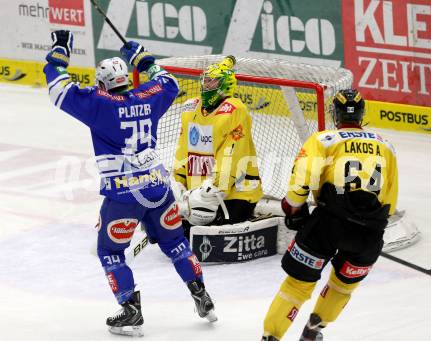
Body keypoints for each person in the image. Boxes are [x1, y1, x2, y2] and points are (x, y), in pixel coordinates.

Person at [44, 30, 216, 337]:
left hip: (123, 194)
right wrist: (140, 58)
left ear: (103, 84)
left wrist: (60, 48)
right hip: (157, 188)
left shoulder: (99, 103)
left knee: (109, 251)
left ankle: (130, 310)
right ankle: (201, 295)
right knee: (176, 243)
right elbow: (169, 82)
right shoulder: (148, 96)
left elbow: (58, 87)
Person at [261, 89, 398, 341]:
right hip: (368, 233)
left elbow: (302, 179)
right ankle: (315, 327)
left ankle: (271, 336)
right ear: (361, 114)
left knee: (297, 285)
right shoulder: (385, 145)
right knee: (343, 286)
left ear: (335, 114)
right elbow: (389, 198)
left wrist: (294, 207)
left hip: (328, 224)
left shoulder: (324, 139)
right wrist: (371, 232)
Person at [173, 55, 263, 235]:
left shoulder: (235, 111)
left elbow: (232, 156)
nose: (206, 86)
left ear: (225, 85)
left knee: (210, 227)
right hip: (197, 193)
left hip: (236, 193)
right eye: (205, 81)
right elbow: (183, 150)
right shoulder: (190, 109)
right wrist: (178, 182)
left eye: (213, 82)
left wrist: (214, 189)